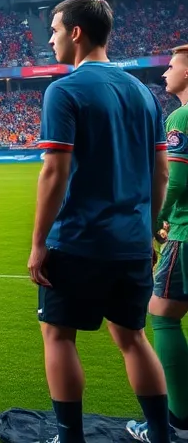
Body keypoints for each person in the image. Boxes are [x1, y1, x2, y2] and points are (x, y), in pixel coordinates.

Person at [29, 0, 170, 443]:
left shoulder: (65, 89)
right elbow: (161, 171)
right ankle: (160, 433)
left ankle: (69, 437)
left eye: (53, 31)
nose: (48, 39)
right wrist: (147, 231)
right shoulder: (144, 93)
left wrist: (37, 244)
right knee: (133, 337)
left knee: (58, 336)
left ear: (75, 33)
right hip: (131, 242)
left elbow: (55, 170)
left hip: (79, 241)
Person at [133, 44, 188, 441]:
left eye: (172, 67)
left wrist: (158, 221)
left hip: (185, 234)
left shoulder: (181, 116)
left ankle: (179, 419)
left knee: (163, 313)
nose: (165, 72)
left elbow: (177, 179)